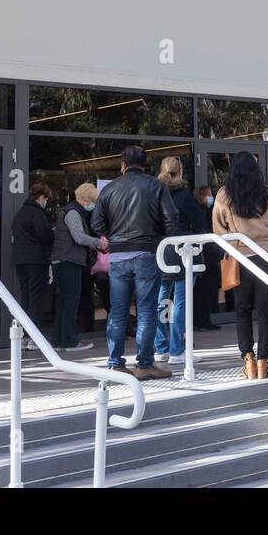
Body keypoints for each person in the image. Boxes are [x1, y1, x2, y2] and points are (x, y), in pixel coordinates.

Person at [91, 145, 179, 379]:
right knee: (146, 312)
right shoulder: (156, 186)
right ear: (145, 165)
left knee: (117, 312)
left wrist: (115, 236)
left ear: (123, 165)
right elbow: (171, 220)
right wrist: (157, 238)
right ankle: (144, 364)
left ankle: (115, 363)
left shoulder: (109, 189)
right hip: (147, 254)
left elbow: (97, 223)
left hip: (118, 256)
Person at [212, 151, 268, 380]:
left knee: (242, 310)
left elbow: (217, 227)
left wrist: (233, 241)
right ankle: (264, 360)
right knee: (265, 310)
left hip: (240, 255)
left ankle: (248, 361)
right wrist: (266, 237)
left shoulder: (224, 194)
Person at [154, 156, 206, 364]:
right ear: (181, 171)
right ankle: (177, 350)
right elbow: (200, 223)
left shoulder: (154, 193)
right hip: (183, 252)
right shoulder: (184, 196)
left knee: (162, 300)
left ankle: (161, 347)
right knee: (181, 302)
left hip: (161, 251)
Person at [49, 183, 103, 353]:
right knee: (71, 302)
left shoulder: (71, 211)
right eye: (92, 201)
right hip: (68, 262)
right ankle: (70, 342)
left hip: (63, 261)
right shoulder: (73, 212)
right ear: (85, 199)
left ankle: (59, 340)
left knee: (64, 303)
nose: (92, 204)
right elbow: (79, 237)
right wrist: (99, 242)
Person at [11, 182, 55, 351]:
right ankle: (34, 338)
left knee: (26, 297)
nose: (46, 202)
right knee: (36, 299)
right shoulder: (37, 213)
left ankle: (23, 336)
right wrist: (53, 232)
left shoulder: (20, 213)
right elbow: (45, 236)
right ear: (41, 197)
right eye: (46, 199)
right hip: (36, 260)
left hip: (20, 260)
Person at [191, 184, 223, 330]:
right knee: (202, 289)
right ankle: (200, 320)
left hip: (210, 252)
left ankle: (205, 319)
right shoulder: (199, 212)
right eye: (208, 194)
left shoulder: (208, 210)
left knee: (209, 288)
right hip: (204, 254)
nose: (211, 197)